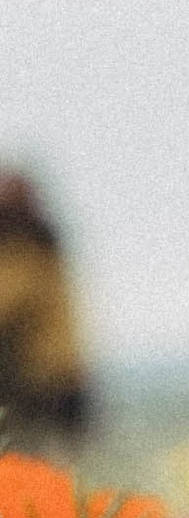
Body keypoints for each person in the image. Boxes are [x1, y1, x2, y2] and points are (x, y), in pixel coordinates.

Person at [0, 172, 90, 434]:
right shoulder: (43, 246)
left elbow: (8, 304)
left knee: (37, 450)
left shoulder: (26, 250)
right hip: (59, 383)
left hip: (45, 386)